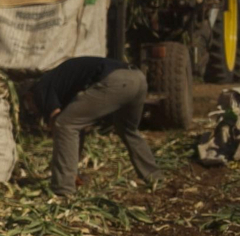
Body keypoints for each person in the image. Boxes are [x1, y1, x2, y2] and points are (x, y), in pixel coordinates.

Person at [22, 56, 160, 197]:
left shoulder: (40, 88)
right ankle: (154, 177)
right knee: (127, 129)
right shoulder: (62, 83)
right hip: (138, 78)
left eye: (29, 107)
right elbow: (76, 127)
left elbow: (59, 124)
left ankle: (63, 188)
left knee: (64, 125)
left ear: (28, 96)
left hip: (116, 81)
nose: (32, 111)